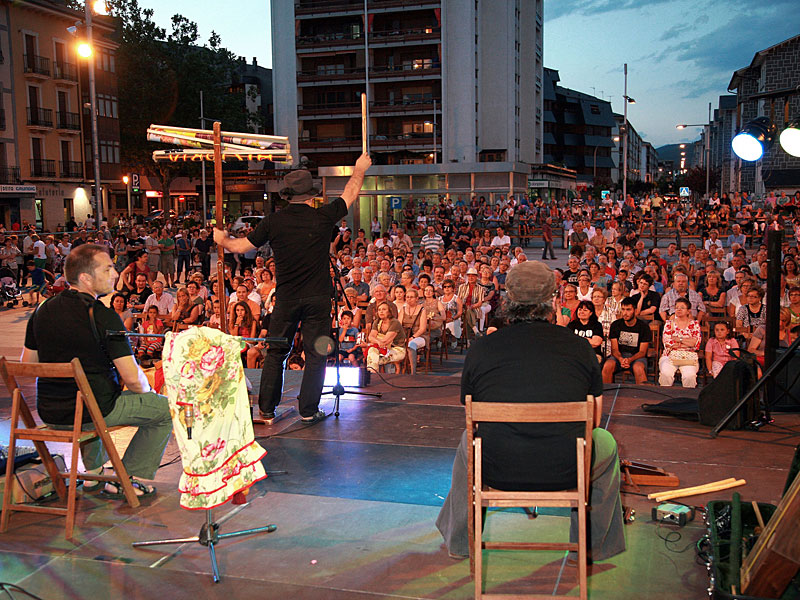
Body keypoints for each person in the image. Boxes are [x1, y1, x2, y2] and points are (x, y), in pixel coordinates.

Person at [436, 260, 625, 561]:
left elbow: (471, 419)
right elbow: (595, 420)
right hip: (567, 467)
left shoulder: (483, 349)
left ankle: (461, 541)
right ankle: (590, 546)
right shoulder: (579, 348)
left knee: (466, 442)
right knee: (606, 442)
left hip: (497, 467)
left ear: (508, 300)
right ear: (553, 300)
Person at [214, 153, 372, 424]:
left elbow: (240, 247)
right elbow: (351, 192)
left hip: (286, 298)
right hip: (317, 297)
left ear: (287, 196)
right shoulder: (323, 217)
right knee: (315, 353)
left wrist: (221, 238)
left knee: (276, 351)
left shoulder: (273, 221)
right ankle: (308, 410)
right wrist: (359, 168)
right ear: (311, 196)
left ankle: (266, 409)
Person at [20, 244, 171, 498]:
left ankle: (95, 475)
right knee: (166, 410)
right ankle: (126, 478)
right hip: (92, 411)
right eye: (108, 268)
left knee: (90, 400)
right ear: (86, 278)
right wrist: (148, 394)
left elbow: (28, 363)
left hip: (51, 412)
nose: (115, 273)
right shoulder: (103, 316)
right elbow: (133, 380)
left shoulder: (42, 310)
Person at [602, 297, 651, 384]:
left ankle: (642, 396)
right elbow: (614, 350)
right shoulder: (616, 325)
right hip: (619, 356)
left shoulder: (644, 327)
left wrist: (630, 360)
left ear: (635, 311)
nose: (625, 313)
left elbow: (642, 352)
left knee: (638, 368)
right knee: (607, 366)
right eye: (623, 309)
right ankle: (607, 395)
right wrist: (621, 359)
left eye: (628, 310)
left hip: (636, 357)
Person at [658, 297, 702, 388]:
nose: (678, 309)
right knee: (666, 374)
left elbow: (695, 343)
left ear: (688, 311)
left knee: (689, 376)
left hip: (689, 356)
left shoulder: (695, 324)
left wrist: (679, 340)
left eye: (682, 307)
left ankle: (688, 400)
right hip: (670, 355)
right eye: (677, 307)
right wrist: (687, 342)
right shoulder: (669, 324)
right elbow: (668, 343)